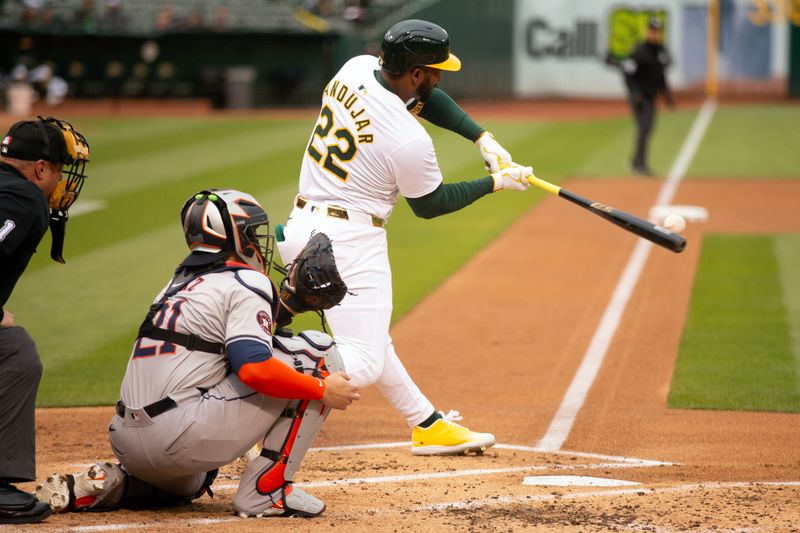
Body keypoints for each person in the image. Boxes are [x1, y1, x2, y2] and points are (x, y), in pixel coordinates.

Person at [276, 19, 534, 456]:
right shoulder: (407, 140)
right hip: (351, 243)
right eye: (434, 71)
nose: (439, 77)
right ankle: (262, 391)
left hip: (302, 228)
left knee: (373, 337)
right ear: (415, 73)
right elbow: (429, 204)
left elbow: (419, 101)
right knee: (364, 361)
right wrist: (496, 183)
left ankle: (427, 424)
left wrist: (480, 136)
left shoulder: (354, 69)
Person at [35, 189, 360, 518]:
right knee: (316, 352)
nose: (257, 241)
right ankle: (268, 492)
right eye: (251, 232)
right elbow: (254, 369)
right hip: (178, 436)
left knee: (192, 482)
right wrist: (322, 388)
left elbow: (224, 338)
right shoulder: (249, 280)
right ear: (234, 235)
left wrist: (288, 303)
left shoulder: (177, 284)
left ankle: (111, 482)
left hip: (128, 441)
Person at [0, 116, 90, 524]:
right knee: (16, 353)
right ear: (39, 168)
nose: (62, 182)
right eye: (58, 170)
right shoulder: (23, 198)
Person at [608, 17, 675, 176]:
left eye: (657, 31)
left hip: (651, 97)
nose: (655, 34)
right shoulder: (639, 51)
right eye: (652, 30)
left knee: (647, 128)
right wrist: (635, 94)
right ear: (647, 31)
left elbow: (661, 76)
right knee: (645, 128)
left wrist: (667, 97)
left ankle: (635, 161)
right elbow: (627, 74)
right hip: (639, 97)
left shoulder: (661, 50)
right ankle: (639, 164)